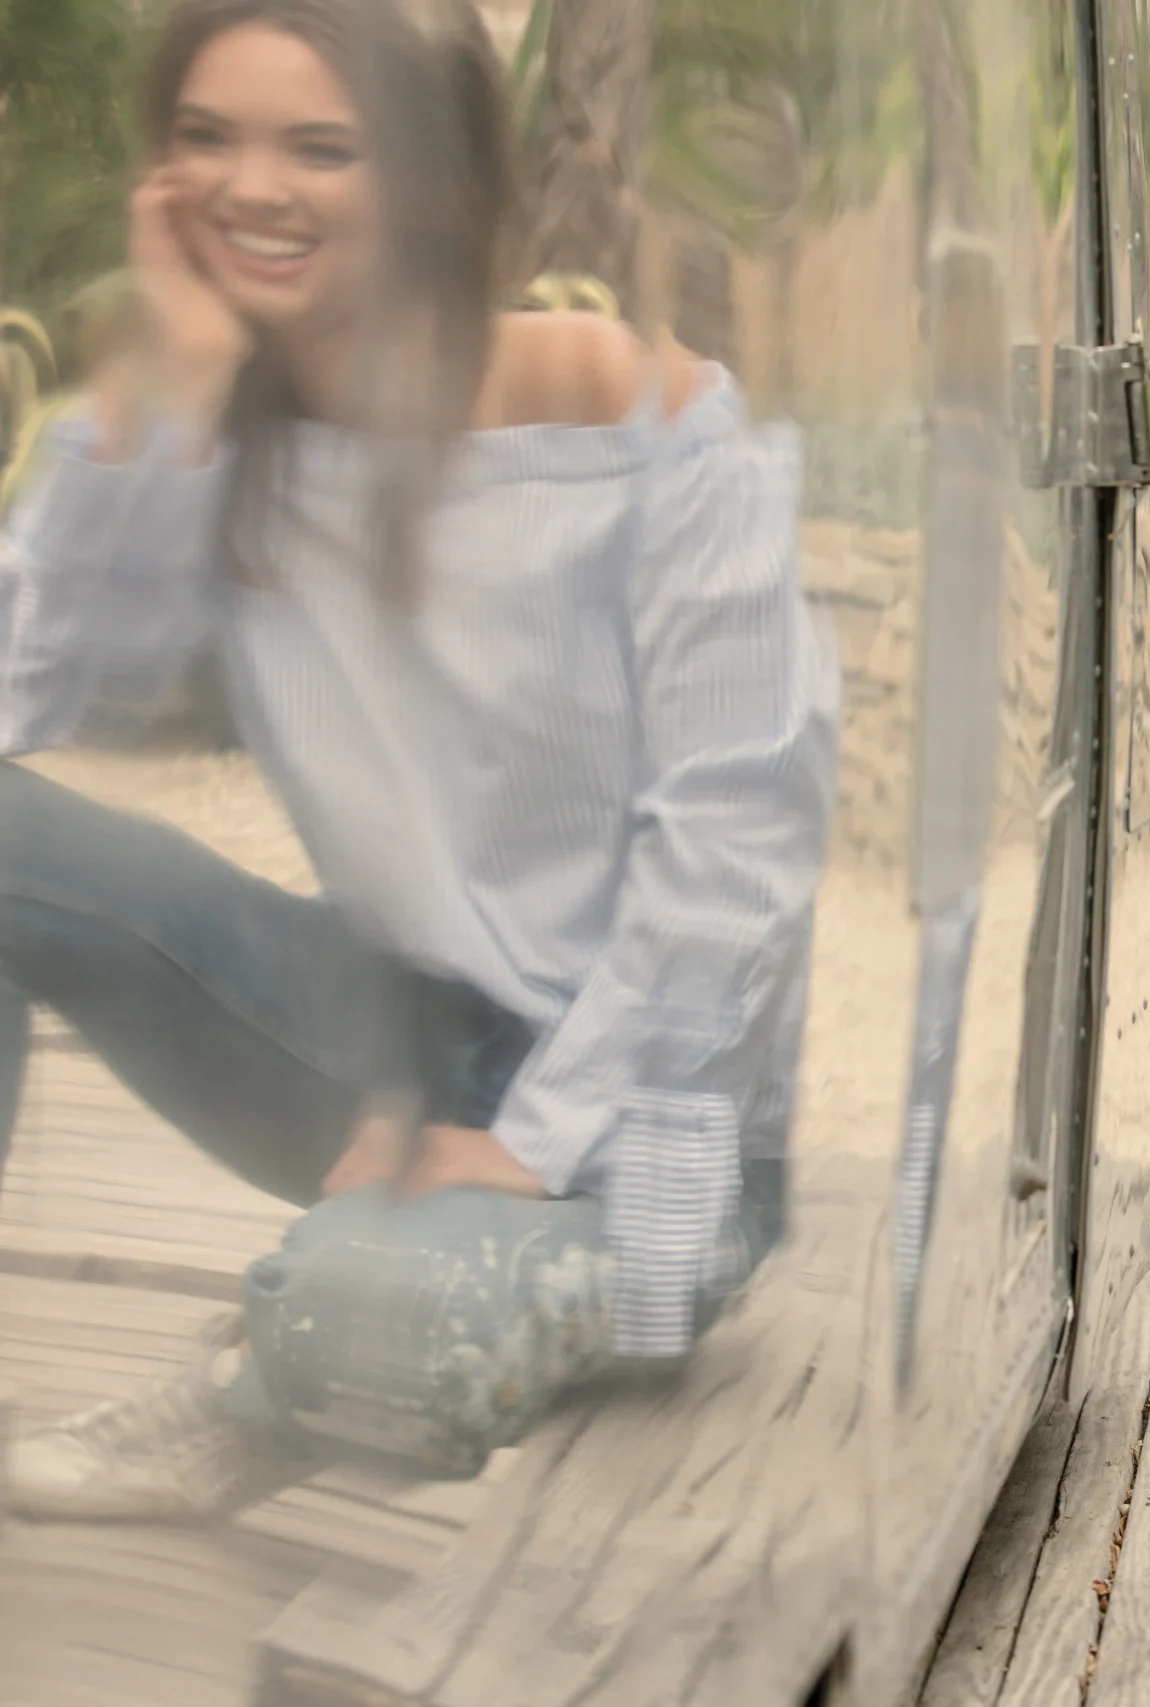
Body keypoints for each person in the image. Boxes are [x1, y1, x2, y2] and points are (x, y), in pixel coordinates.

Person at [0, 0, 836, 1517]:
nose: (251, 187)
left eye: (322, 147)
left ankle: (270, 1362)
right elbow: (29, 689)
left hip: (651, 1119)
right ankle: (342, 1292)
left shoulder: (631, 411)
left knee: (385, 1308)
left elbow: (743, 839)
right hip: (380, 1045)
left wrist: (535, 1140)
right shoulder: (225, 435)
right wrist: (160, 384)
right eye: (208, 139)